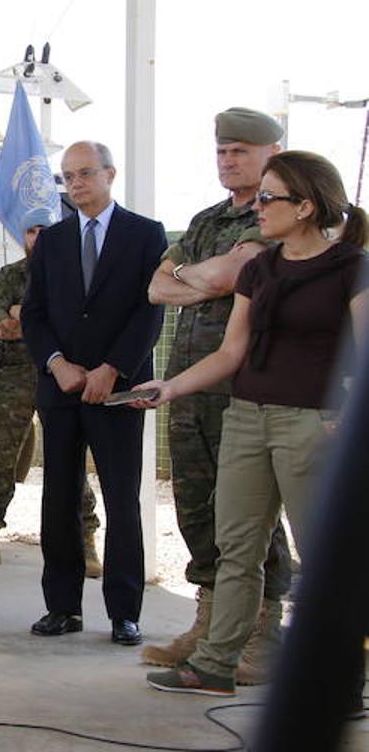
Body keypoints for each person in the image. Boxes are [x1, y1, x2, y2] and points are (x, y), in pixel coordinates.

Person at [140, 151, 367, 697]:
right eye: (259, 196)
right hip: (246, 417)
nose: (258, 207)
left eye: (270, 198)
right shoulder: (261, 268)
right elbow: (231, 351)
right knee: (236, 548)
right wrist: (169, 387)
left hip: (312, 425)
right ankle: (216, 664)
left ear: (306, 206)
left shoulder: (352, 268)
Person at [140, 107, 293, 682]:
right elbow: (156, 287)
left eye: (242, 152)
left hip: (245, 386)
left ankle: (262, 631)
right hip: (190, 386)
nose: (229, 161)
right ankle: (209, 620)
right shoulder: (206, 220)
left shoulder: (279, 218)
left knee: (252, 513)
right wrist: (201, 277)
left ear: (272, 154)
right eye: (223, 152)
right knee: (196, 504)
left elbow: (230, 278)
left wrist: (196, 277)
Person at [20, 140, 167, 645]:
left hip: (118, 391)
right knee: (58, 499)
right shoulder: (53, 241)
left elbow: (151, 310)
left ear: (110, 173)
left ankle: (124, 612)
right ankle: (62, 607)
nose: (76, 183)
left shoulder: (145, 235)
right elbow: (34, 314)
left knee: (121, 501)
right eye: (68, 176)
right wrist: (57, 364)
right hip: (61, 390)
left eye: (84, 173)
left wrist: (114, 368)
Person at [0, 210, 103, 572]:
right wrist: (38, 320)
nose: (38, 236)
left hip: (62, 376)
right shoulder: (12, 275)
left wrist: (26, 316)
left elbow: (78, 326)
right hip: (17, 374)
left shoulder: (78, 274)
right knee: (0, 455)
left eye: (45, 230)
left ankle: (86, 542)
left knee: (69, 459)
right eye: (32, 230)